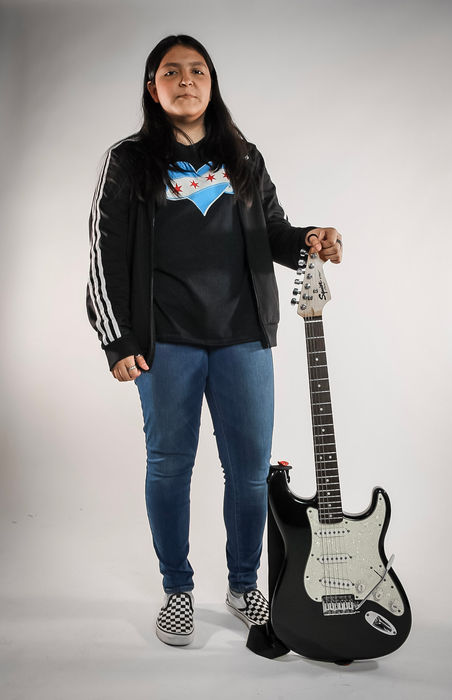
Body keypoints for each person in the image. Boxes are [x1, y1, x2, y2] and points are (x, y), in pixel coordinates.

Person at [86, 34, 343, 647]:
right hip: (165, 339)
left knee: (250, 474)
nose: (185, 80)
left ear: (212, 82)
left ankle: (243, 584)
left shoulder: (243, 155)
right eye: (170, 71)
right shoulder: (128, 160)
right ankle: (177, 590)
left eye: (197, 70)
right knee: (169, 467)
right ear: (152, 87)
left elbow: (274, 231)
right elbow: (104, 252)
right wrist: (117, 340)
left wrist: (310, 239)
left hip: (243, 336)